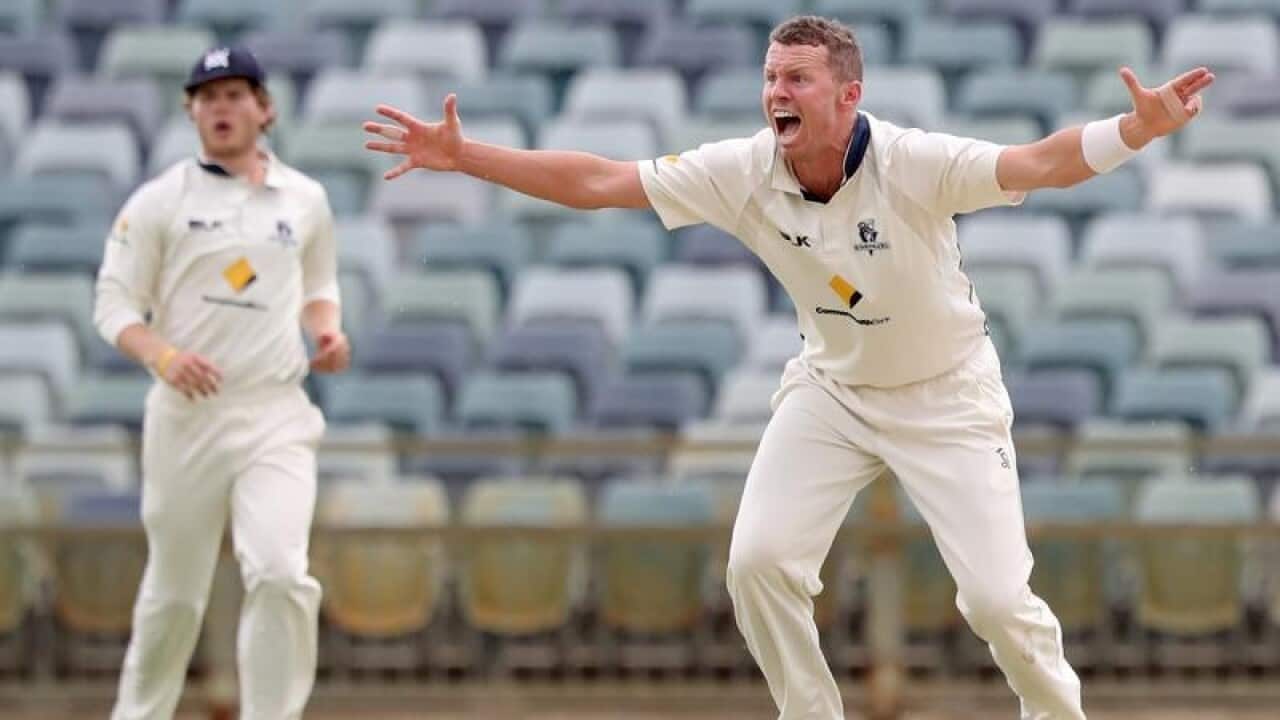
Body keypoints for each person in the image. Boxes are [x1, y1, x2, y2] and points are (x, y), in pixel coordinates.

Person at [364, 15, 1211, 720]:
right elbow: (599, 181)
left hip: (947, 395)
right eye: (772, 78)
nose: (777, 94)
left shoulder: (912, 163)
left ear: (849, 96)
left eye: (798, 80)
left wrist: (1135, 128)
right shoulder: (742, 170)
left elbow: (1041, 163)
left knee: (995, 603)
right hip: (833, 390)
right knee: (757, 563)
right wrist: (466, 156)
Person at [94, 45, 349, 720]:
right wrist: (163, 356)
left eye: (236, 95)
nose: (221, 108)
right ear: (191, 112)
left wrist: (327, 331)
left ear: (264, 109)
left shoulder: (306, 199)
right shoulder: (159, 202)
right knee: (176, 593)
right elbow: (113, 306)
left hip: (275, 412)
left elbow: (318, 286)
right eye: (207, 97)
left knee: (279, 572)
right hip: (187, 416)